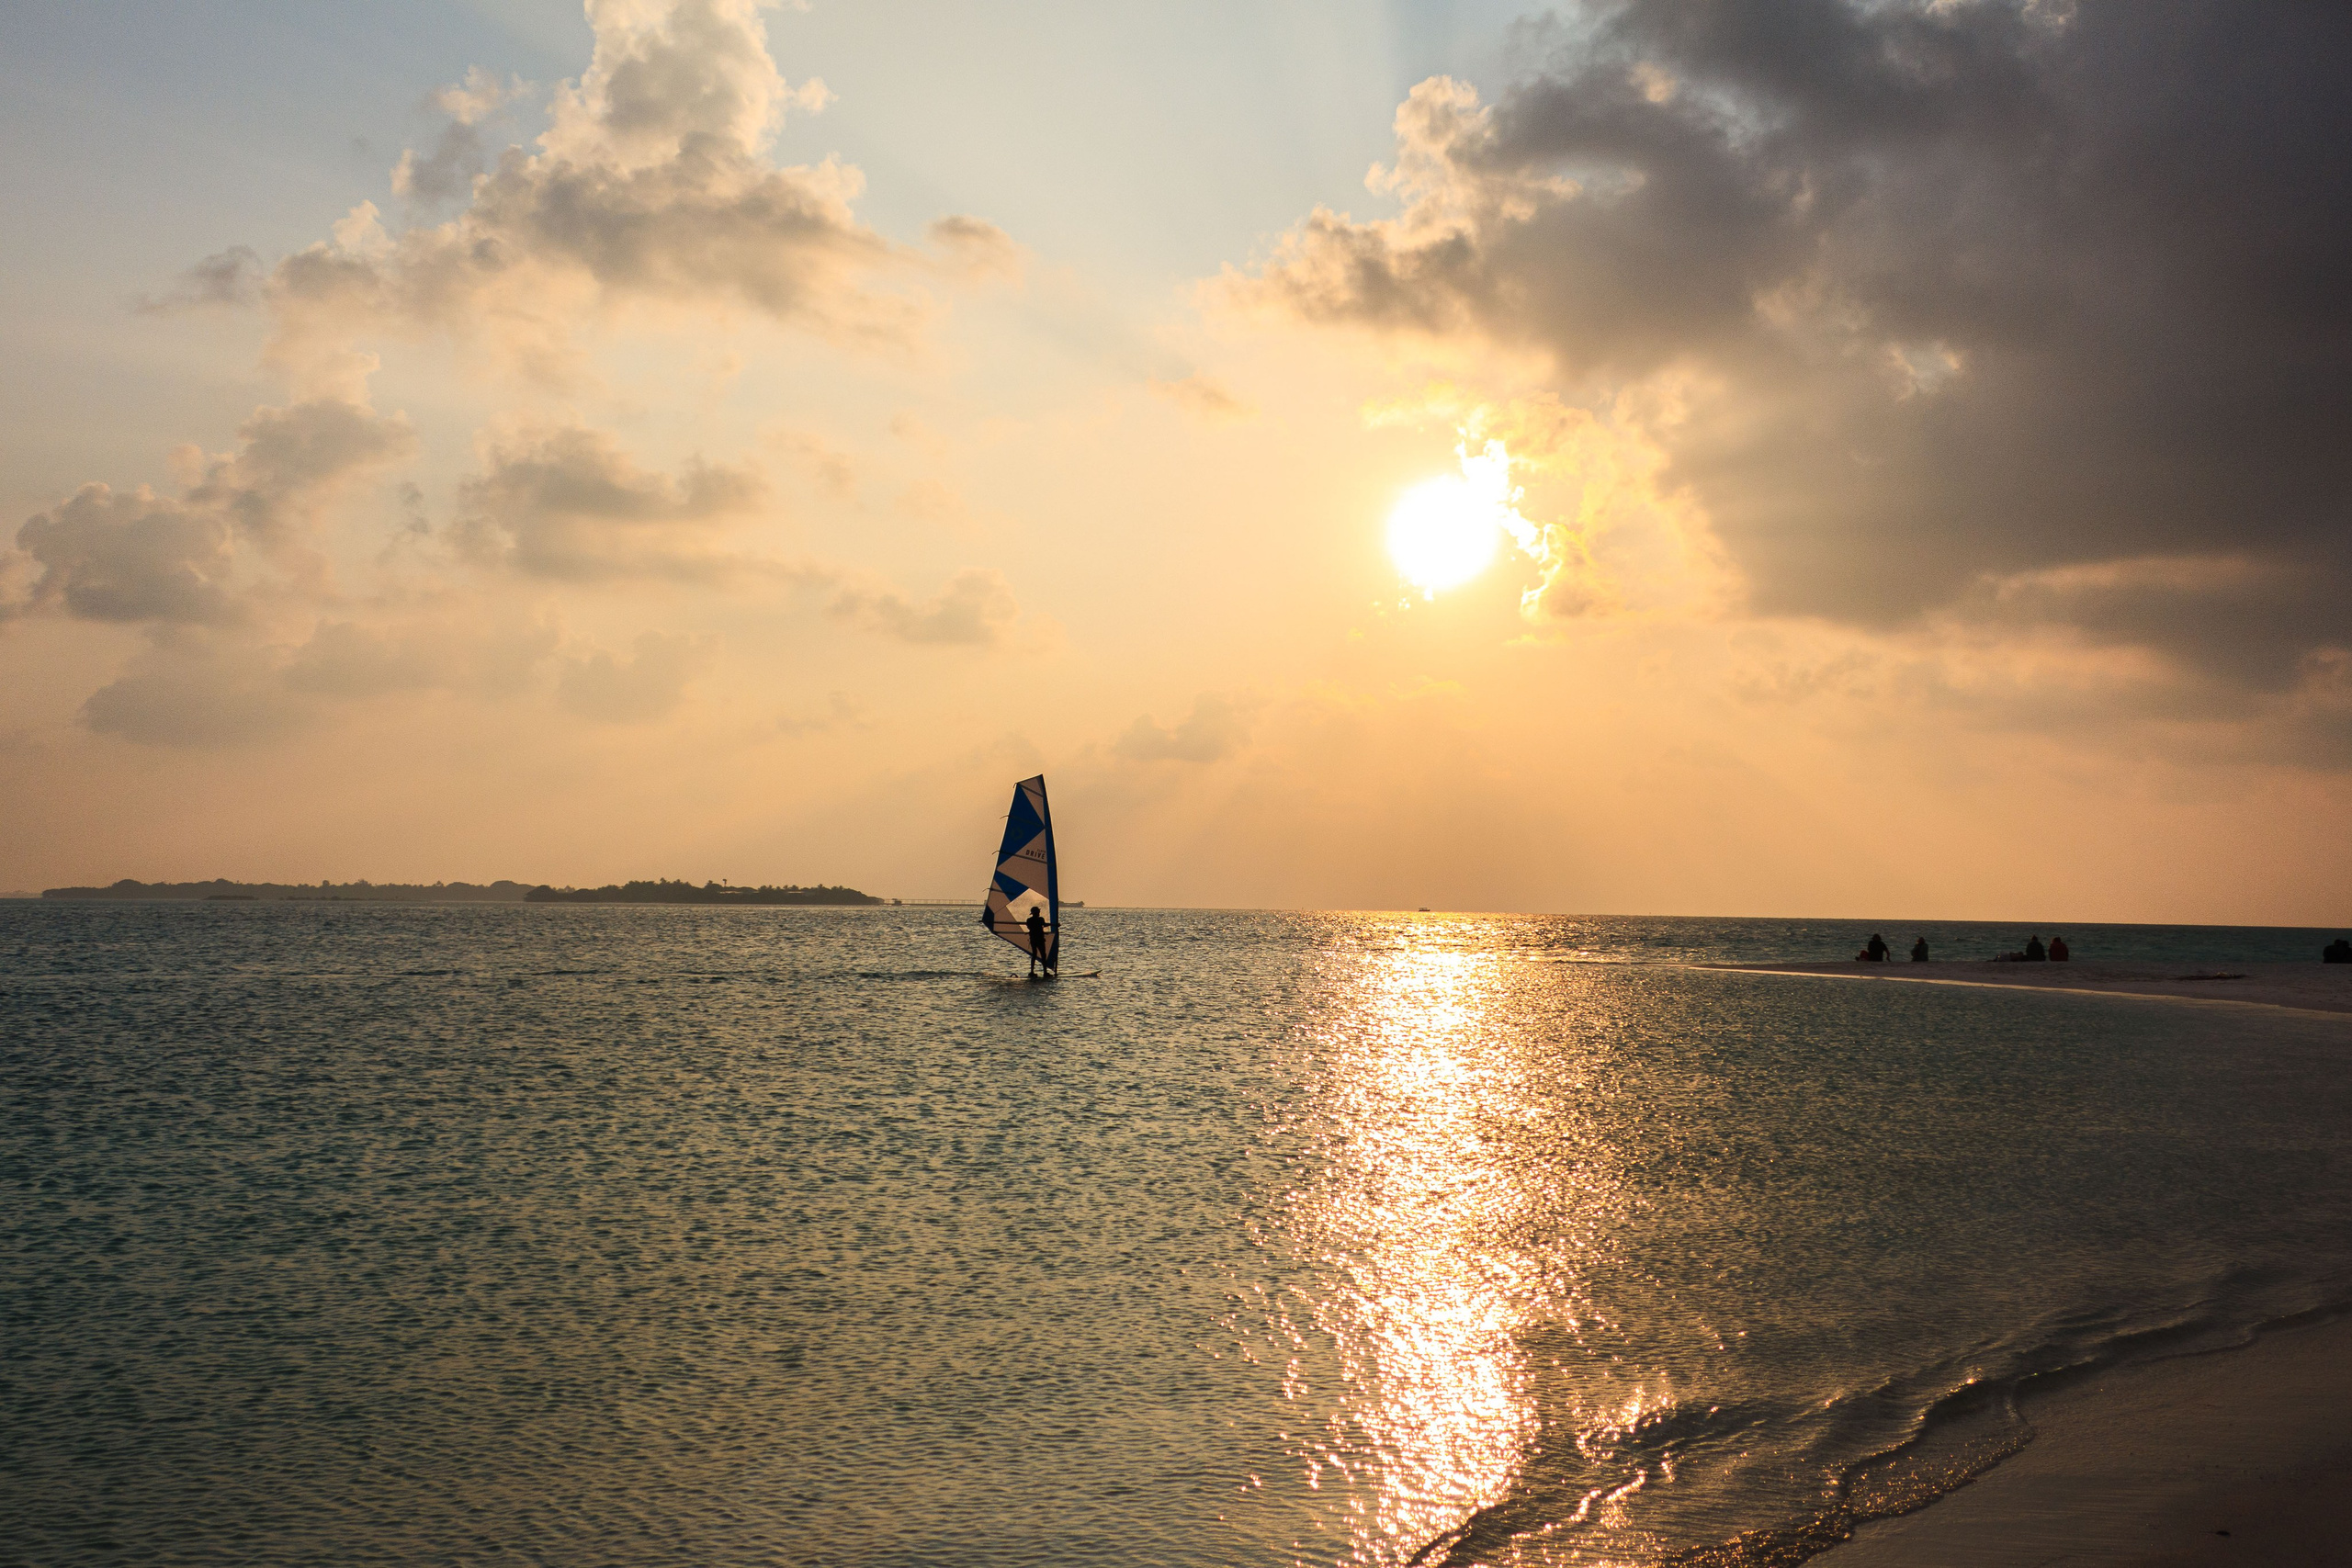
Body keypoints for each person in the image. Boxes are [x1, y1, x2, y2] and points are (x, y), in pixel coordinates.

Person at [1024, 905, 1054, 978]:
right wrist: (1054, 925)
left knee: (1035, 955)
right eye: (1038, 912)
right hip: (1039, 939)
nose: (1039, 913)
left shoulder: (1029, 920)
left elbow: (1029, 927)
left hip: (1034, 939)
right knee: (1042, 955)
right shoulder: (1040, 919)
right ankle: (1044, 972)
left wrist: (1054, 925)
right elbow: (1044, 925)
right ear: (1036, 913)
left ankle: (1032, 972)